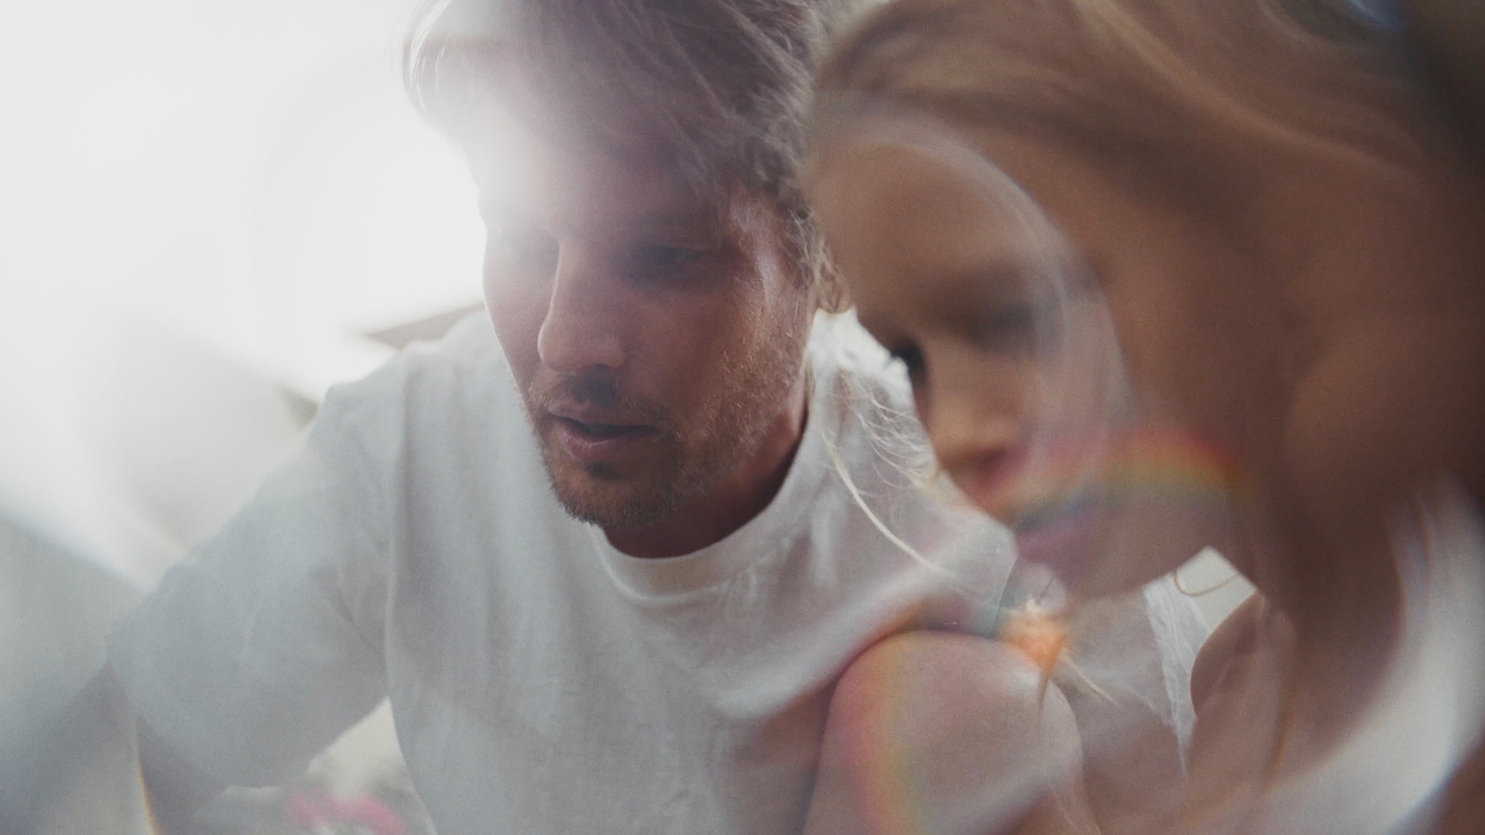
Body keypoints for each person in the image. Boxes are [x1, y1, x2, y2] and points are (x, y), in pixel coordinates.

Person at [24, 1, 1210, 834]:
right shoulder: (401, 456)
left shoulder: (985, 483)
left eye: (664, 255)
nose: (564, 341)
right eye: (525, 240)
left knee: (958, 715)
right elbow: (127, 745)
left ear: (828, 262)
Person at [804, 0, 1485, 831]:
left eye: (1013, 316)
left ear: (1286, 244)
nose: (952, 434)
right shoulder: (1242, 673)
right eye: (909, 357)